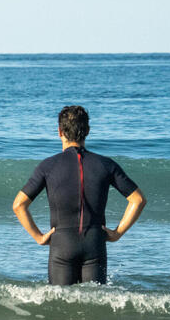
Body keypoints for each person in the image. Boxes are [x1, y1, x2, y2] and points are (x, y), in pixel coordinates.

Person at [12, 105, 146, 285]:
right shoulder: (106, 164)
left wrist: (39, 237)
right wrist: (117, 234)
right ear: (88, 131)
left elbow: (19, 205)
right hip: (95, 244)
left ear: (59, 131)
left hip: (62, 245)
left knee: (60, 306)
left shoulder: (48, 166)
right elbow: (138, 200)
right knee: (94, 307)